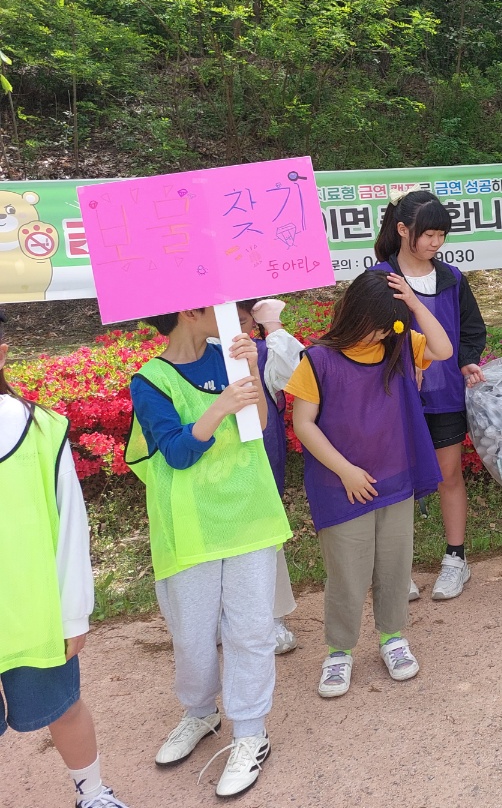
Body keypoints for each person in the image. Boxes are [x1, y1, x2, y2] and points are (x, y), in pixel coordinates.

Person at [127, 307, 291, 797]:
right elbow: (175, 452)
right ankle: (200, 713)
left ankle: (249, 732)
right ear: (191, 311)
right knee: (192, 634)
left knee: (251, 629)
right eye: (223, 306)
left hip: (248, 513)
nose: (236, 315)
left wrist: (253, 379)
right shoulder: (150, 380)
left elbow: (259, 426)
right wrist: (220, 406)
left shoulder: (234, 356)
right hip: (191, 525)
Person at [286, 271, 449, 699]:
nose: (380, 334)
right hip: (341, 487)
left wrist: (413, 305)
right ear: (353, 313)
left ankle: (392, 637)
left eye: (388, 326)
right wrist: (345, 471)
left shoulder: (398, 346)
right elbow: (304, 424)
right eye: (375, 324)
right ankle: (339, 650)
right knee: (347, 573)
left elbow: (443, 348)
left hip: (395, 480)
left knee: (395, 567)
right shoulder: (317, 360)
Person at [0, 313, 134, 808]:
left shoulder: (42, 429)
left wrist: (74, 610)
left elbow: (71, 526)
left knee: (64, 707)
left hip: (36, 612)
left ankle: (93, 793)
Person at [371, 190, 487, 602]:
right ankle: (394, 569)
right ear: (403, 230)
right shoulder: (380, 279)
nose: (436, 243)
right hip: (395, 396)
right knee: (396, 482)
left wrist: (467, 361)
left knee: (448, 475)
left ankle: (456, 559)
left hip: (445, 397)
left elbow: (471, 330)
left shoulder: (452, 279)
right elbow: (362, 338)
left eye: (442, 234)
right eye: (428, 234)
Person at [235, 299, 304, 654]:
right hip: (215, 455)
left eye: (243, 320)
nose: (232, 329)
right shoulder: (191, 362)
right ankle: (227, 616)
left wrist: (273, 326)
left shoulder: (263, 352)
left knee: (265, 527)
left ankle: (273, 616)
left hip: (262, 445)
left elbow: (298, 374)